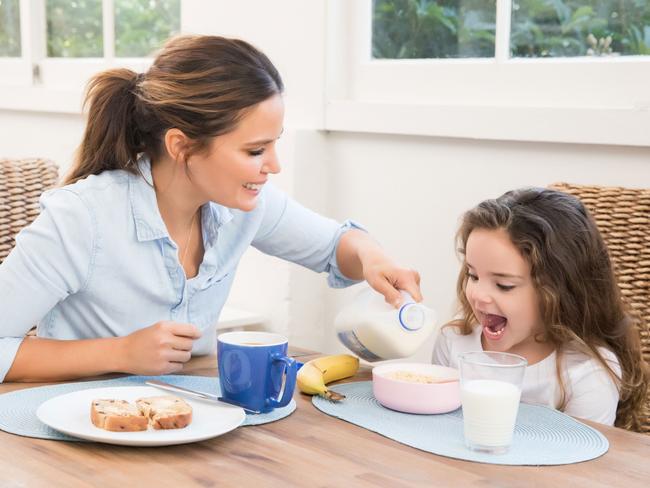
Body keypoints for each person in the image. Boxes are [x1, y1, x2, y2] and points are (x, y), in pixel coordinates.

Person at [0, 35, 421, 383]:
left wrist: (371, 256)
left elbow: (334, 248)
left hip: (187, 417)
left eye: (274, 144)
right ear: (181, 146)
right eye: (256, 150)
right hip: (73, 432)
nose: (274, 165)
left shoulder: (243, 206)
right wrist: (121, 352)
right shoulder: (82, 219)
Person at [433, 188, 648, 429]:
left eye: (504, 285)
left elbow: (581, 464)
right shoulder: (454, 341)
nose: (478, 296)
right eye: (473, 275)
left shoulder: (586, 374)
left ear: (559, 292)